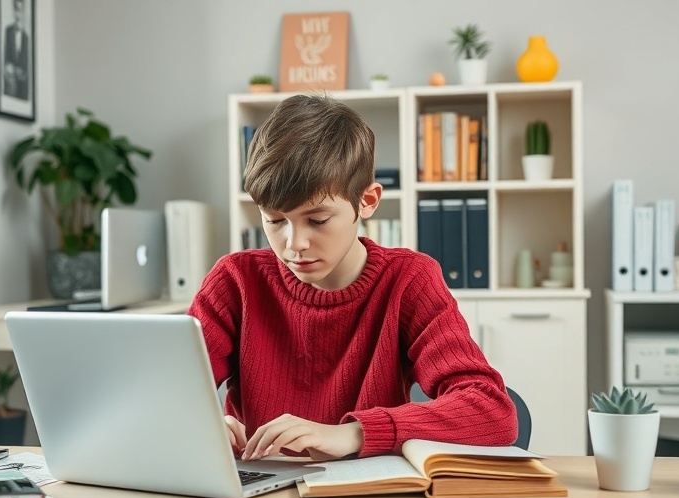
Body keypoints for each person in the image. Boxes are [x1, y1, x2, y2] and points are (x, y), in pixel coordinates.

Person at [187, 94, 517, 463]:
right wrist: (199, 422)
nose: (294, 244)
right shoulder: (235, 281)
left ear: (368, 201)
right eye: (275, 220)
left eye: (317, 220)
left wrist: (355, 433)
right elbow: (164, 393)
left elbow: (492, 412)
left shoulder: (408, 280)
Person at [3, 0, 30, 100]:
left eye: (20, 10)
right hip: (10, 77)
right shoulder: (8, 32)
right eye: (16, 10)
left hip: (22, 79)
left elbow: (27, 68)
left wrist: (21, 72)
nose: (18, 14)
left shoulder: (27, 38)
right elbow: (5, 58)